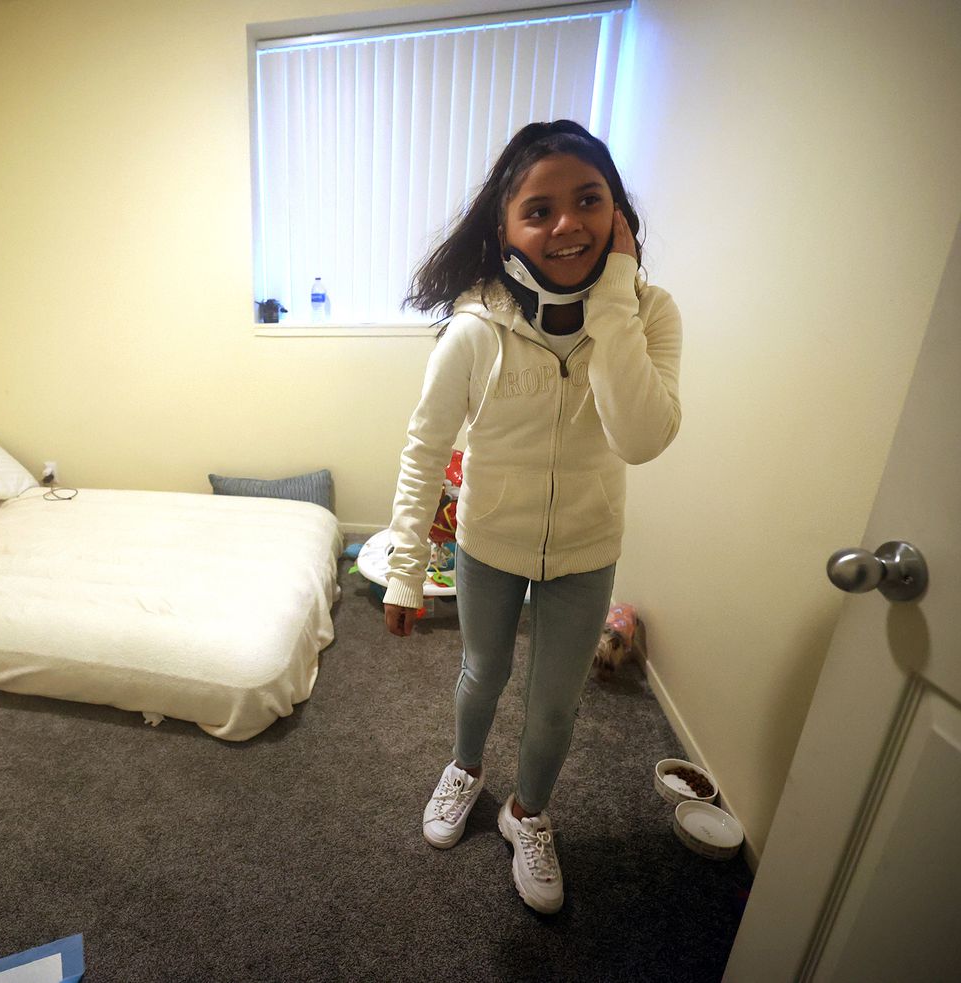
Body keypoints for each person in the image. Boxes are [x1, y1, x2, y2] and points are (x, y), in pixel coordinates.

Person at [384, 120, 682, 914]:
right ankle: (465, 767)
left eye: (588, 201)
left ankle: (529, 813)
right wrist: (407, 570)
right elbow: (424, 448)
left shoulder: (649, 316)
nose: (565, 224)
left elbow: (643, 438)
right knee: (482, 671)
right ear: (505, 227)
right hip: (490, 541)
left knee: (557, 702)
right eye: (538, 209)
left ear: (617, 215)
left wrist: (614, 301)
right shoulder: (474, 329)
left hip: (587, 549)